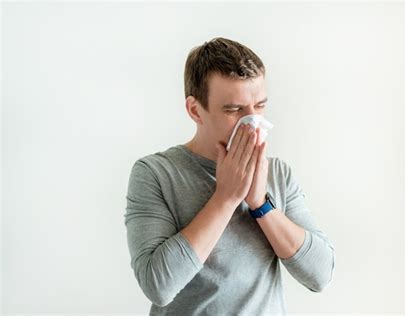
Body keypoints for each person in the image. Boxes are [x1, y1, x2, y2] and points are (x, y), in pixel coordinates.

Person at [124, 37, 335, 315]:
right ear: (195, 110)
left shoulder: (278, 174)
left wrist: (261, 204)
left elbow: (320, 275)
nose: (252, 121)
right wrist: (226, 197)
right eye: (234, 110)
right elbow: (159, 286)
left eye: (259, 106)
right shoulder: (155, 174)